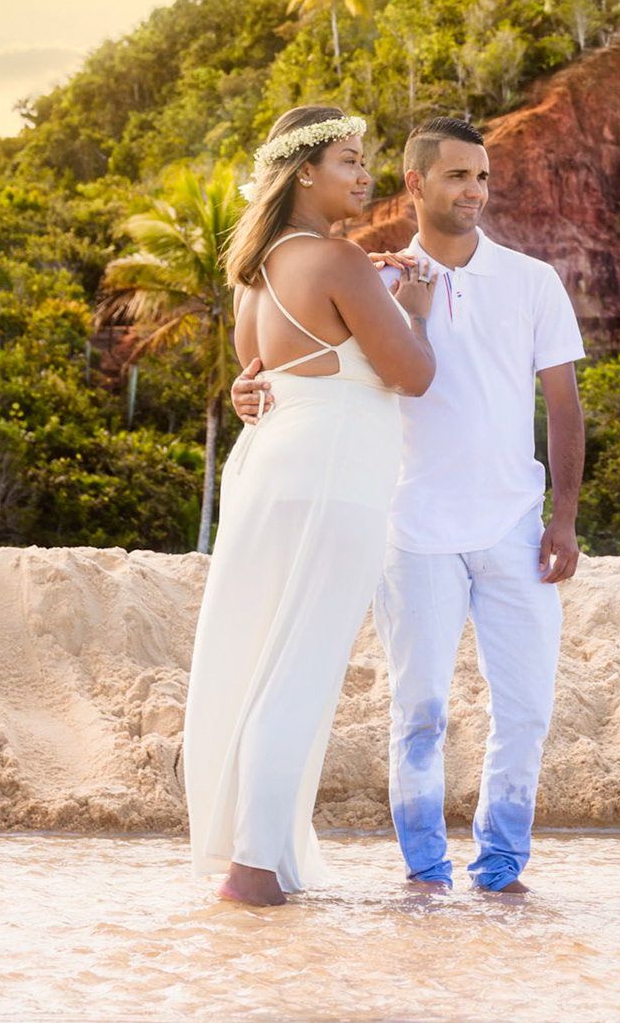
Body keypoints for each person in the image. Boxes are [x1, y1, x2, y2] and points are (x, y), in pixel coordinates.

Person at [233, 115, 585, 895]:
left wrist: (563, 518)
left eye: (485, 176)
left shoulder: (532, 281)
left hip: (513, 526)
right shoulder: (375, 276)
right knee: (418, 711)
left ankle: (501, 872)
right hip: (410, 527)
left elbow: (564, 404)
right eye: (458, 175)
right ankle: (425, 875)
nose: (476, 191)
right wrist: (249, 387)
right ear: (416, 185)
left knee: (525, 709)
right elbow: (288, 358)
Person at [183, 104, 438, 908]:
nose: (366, 177)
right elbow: (414, 373)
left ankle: (253, 860)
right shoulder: (339, 261)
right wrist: (418, 310)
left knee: (258, 656)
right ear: (303, 172)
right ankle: (255, 873)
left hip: (267, 470)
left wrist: (380, 288)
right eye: (350, 162)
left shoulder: (252, 276)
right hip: (334, 475)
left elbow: (255, 379)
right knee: (301, 665)